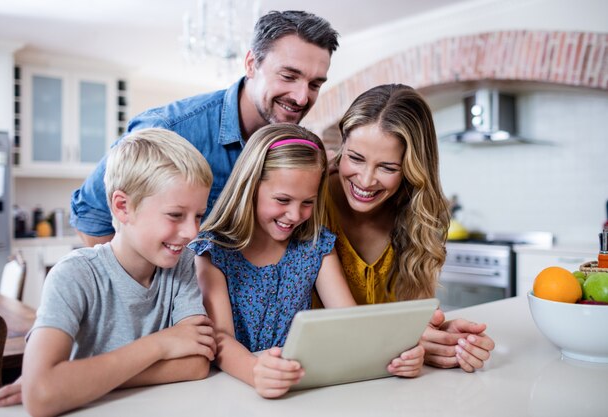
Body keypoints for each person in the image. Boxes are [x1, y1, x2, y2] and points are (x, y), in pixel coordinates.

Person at [0, 128, 217, 414]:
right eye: (175, 215)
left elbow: (196, 363)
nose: (192, 232)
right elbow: (41, 395)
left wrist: (79, 380)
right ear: (122, 207)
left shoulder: (182, 265)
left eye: (198, 216)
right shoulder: (74, 275)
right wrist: (161, 345)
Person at [190, 123, 425, 399]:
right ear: (250, 186)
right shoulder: (214, 250)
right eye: (282, 199)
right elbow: (220, 339)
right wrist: (257, 371)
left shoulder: (315, 246)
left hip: (297, 388)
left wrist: (400, 355)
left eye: (307, 202)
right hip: (233, 388)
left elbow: (350, 322)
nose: (294, 214)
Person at [71, 10, 339, 247]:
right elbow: (91, 216)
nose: (302, 97)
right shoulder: (168, 129)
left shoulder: (297, 148)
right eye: (288, 76)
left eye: (315, 84)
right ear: (251, 64)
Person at [323, 84, 495, 372]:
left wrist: (445, 340)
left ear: (412, 167)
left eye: (387, 168)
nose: (365, 180)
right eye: (355, 158)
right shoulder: (310, 201)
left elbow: (415, 322)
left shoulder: (422, 216)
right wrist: (405, 339)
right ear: (342, 146)